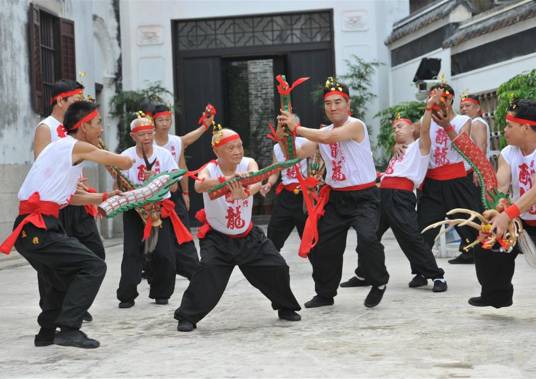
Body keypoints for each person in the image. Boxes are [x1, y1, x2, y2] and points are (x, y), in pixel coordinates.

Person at [0, 100, 133, 348]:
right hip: (38, 227)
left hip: (34, 228)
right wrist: (138, 157)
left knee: (59, 278)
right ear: (83, 127)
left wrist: (104, 197)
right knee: (93, 266)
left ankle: (47, 333)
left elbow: (68, 198)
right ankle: (70, 328)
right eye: (97, 124)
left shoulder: (60, 150)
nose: (101, 129)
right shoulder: (74, 146)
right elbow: (121, 162)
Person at [174, 128, 301, 332]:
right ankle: (187, 316)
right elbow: (200, 185)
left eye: (239, 145)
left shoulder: (247, 163)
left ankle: (285, 307)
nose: (237, 151)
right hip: (218, 239)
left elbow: (255, 178)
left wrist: (245, 190)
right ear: (217, 152)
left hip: (248, 236)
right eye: (230, 147)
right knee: (207, 272)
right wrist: (225, 182)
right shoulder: (210, 168)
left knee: (277, 267)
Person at [279, 77, 389, 309]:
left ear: (348, 105)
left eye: (338, 102)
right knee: (325, 247)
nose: (333, 107)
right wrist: (284, 138)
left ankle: (379, 281)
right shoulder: (322, 133)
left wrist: (296, 128)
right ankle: (325, 293)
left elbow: (330, 138)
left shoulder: (355, 125)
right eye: (328, 104)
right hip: (336, 198)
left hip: (364, 197)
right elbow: (295, 155)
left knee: (368, 239)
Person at [341, 91, 447, 292]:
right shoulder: (398, 149)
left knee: (411, 237)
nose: (396, 130)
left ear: (412, 129)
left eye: (401, 126)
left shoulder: (421, 146)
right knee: (368, 236)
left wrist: (428, 108)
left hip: (401, 196)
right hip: (382, 195)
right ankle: (363, 273)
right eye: (394, 128)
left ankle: (436, 276)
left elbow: (424, 129)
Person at [33, 80, 105, 323]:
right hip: (56, 203)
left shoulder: (76, 127)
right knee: (53, 263)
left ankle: (75, 301)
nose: (81, 104)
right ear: (61, 101)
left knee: (94, 251)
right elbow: (42, 166)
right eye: (75, 100)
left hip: (76, 200)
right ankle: (54, 311)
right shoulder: (47, 127)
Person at [116, 115, 193, 308]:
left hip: (160, 208)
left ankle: (161, 292)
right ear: (133, 136)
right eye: (142, 134)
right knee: (132, 251)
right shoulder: (126, 156)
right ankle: (127, 295)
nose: (147, 137)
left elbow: (174, 186)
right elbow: (119, 186)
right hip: (135, 210)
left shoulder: (164, 155)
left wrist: (158, 179)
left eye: (149, 133)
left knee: (164, 253)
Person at [472, 99, 536, 308]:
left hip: (518, 215)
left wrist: (507, 214)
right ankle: (497, 295)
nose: (504, 130)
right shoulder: (508, 153)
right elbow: (501, 186)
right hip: (521, 221)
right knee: (487, 242)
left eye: (510, 125)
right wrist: (495, 212)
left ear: (526, 128)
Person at [416, 83, 482, 265]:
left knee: (469, 221)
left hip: (457, 178)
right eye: (432, 97)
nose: (437, 101)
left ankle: (475, 255)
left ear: (451, 98)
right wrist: (397, 145)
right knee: (424, 227)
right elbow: (408, 136)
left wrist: (445, 125)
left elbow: (463, 146)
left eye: (441, 97)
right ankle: (422, 269)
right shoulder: (425, 120)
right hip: (432, 181)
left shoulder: (462, 121)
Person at [153, 103, 211, 278]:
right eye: (160, 120)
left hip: (174, 193)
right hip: (152, 196)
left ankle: (193, 269)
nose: (164, 123)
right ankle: (152, 268)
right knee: (156, 235)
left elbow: (182, 167)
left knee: (183, 230)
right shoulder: (148, 141)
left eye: (167, 120)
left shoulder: (176, 142)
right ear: (153, 122)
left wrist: (185, 193)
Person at [260, 119, 308, 252]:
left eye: (287, 126)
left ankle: (321, 271)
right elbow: (276, 170)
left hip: (304, 195)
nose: (284, 130)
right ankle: (272, 266)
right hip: (285, 195)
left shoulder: (304, 142)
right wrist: (269, 183)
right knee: (273, 236)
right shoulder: (276, 147)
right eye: (281, 126)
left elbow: (294, 156)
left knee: (309, 240)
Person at [460, 94, 491, 159]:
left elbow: (481, 153)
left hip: (475, 168)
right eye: (461, 107)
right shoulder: (470, 123)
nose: (464, 109)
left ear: (477, 108)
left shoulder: (477, 123)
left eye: (467, 106)